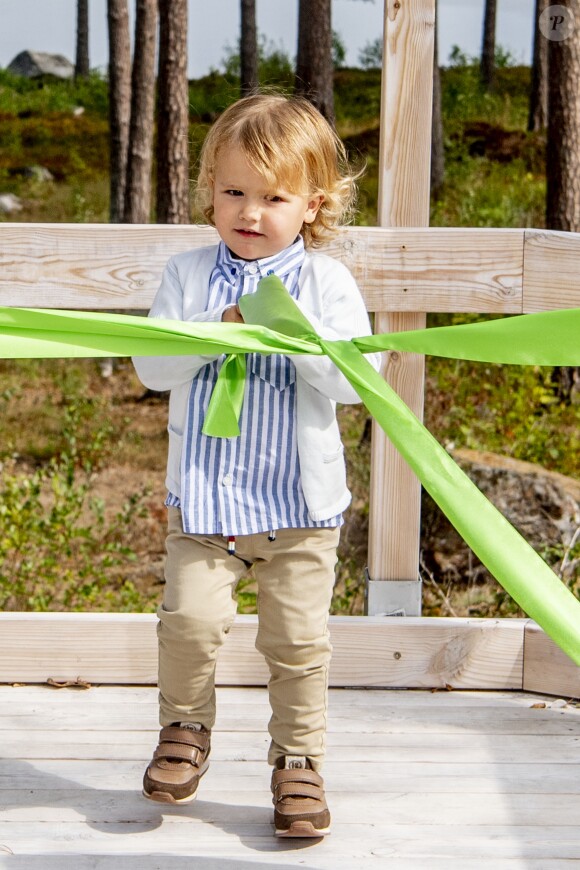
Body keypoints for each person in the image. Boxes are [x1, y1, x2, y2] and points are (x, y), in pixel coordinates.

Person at [133, 93, 380, 839]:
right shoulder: (187, 276)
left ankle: (298, 760)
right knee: (189, 621)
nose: (250, 212)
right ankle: (184, 727)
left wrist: (295, 335)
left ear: (312, 205)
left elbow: (355, 382)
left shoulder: (327, 285)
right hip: (206, 504)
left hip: (296, 508)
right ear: (210, 191)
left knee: (297, 642)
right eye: (234, 191)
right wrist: (222, 327)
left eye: (273, 198)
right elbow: (153, 366)